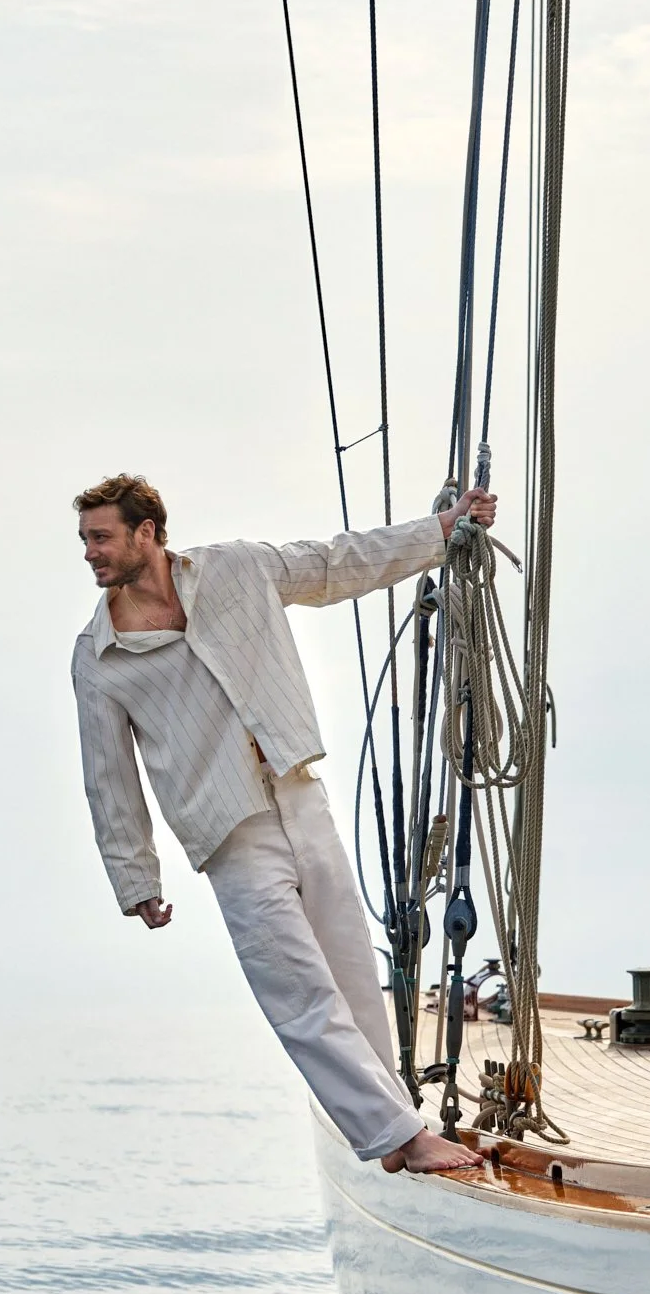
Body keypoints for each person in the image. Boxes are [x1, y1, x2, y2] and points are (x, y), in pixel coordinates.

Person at [71, 472, 493, 1175]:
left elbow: (336, 564)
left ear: (147, 532)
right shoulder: (98, 655)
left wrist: (439, 533)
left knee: (353, 974)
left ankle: (397, 1126)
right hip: (229, 832)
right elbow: (108, 775)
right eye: (86, 540)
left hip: (299, 793)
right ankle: (402, 1137)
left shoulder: (237, 569)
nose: (90, 553)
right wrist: (136, 877)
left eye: (101, 537)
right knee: (299, 991)